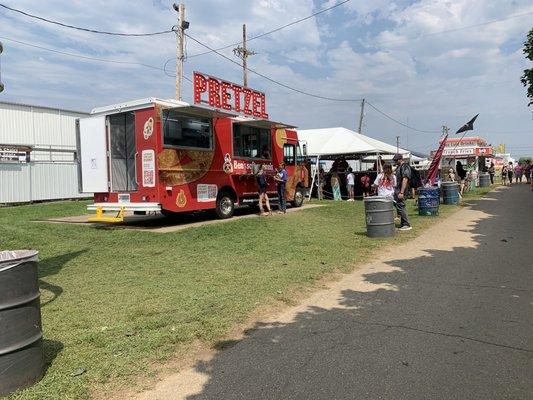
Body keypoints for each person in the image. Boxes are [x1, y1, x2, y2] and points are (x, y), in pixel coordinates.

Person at [393, 153, 412, 231]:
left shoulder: (405, 166)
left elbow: (405, 179)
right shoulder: (399, 167)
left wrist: (401, 192)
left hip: (402, 190)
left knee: (401, 206)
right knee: (398, 205)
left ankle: (406, 224)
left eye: (396, 160)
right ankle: (403, 223)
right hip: (398, 189)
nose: (395, 161)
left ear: (401, 159)